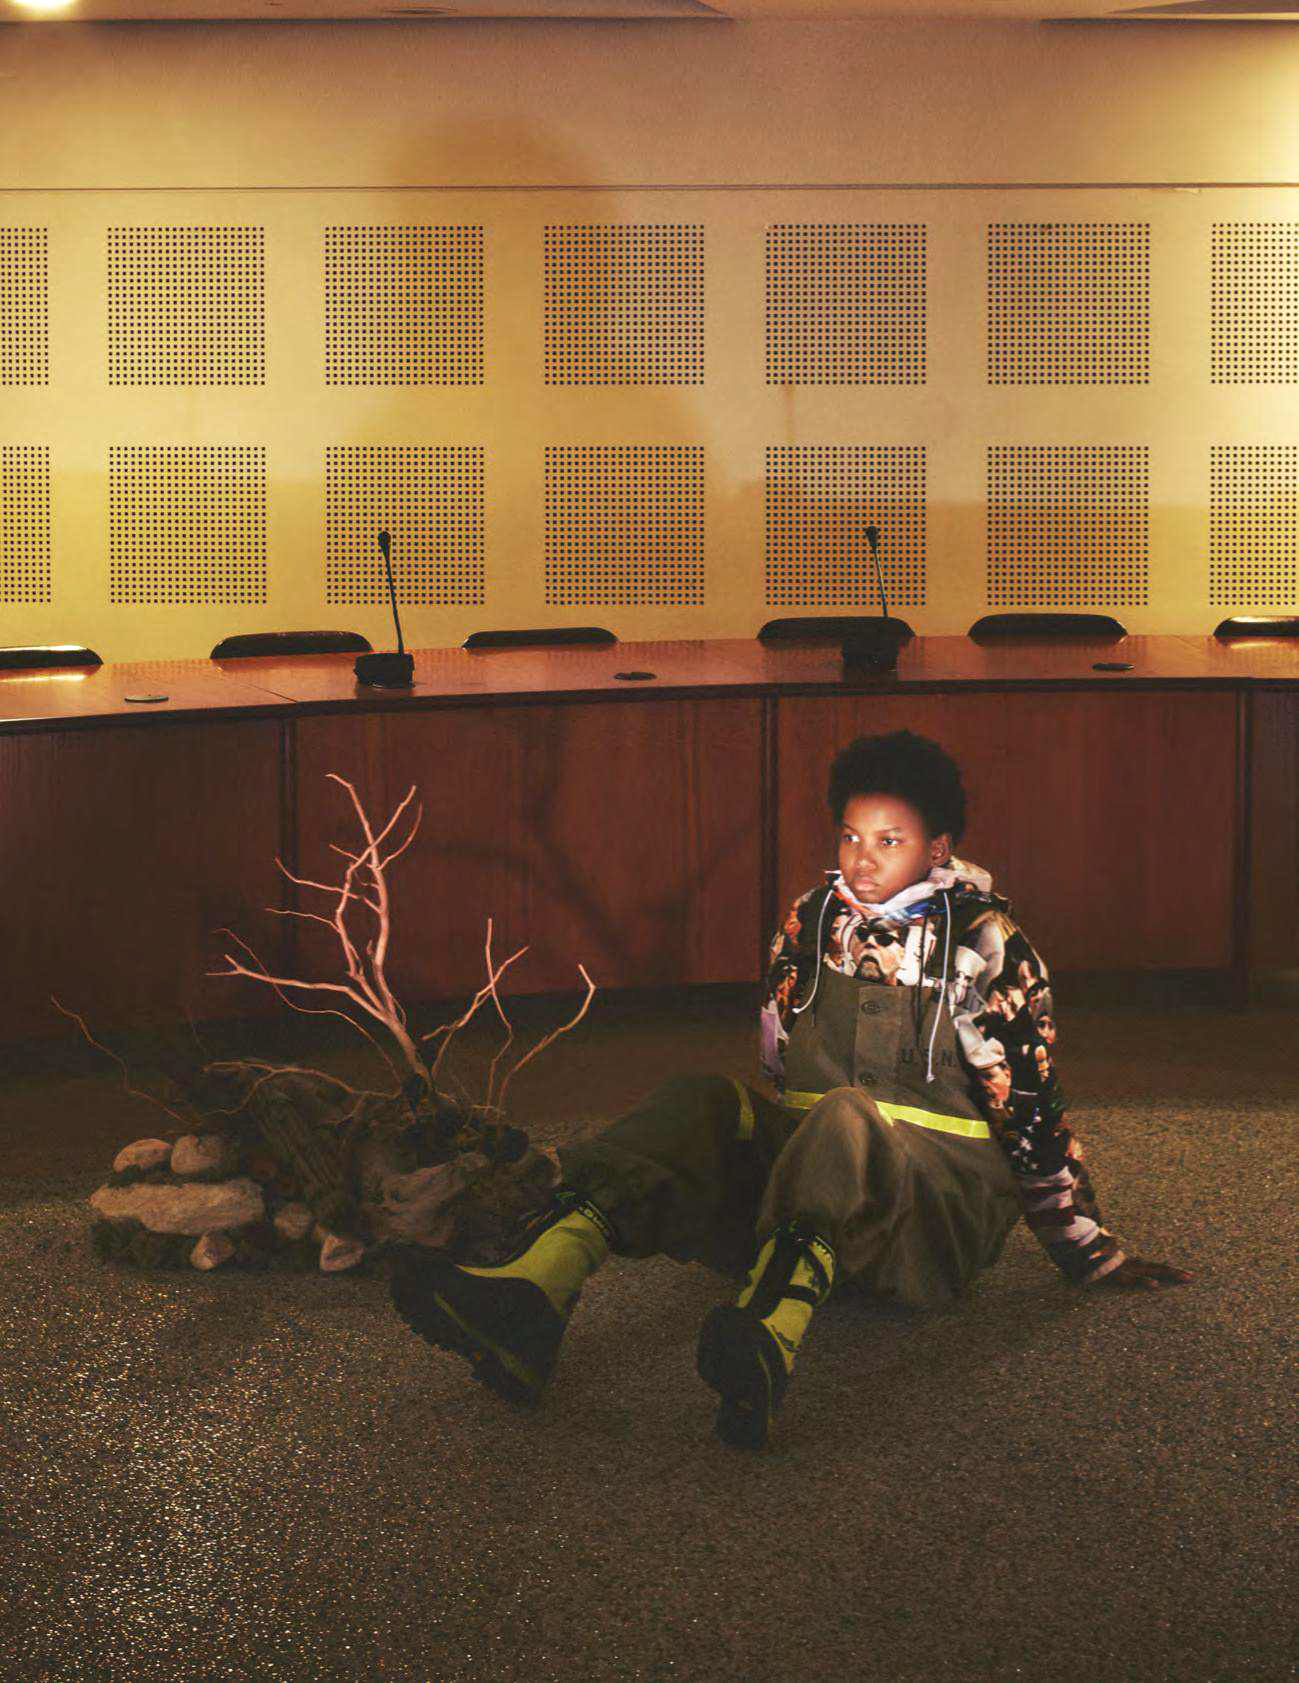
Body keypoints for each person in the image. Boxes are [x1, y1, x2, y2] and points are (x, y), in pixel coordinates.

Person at [390, 729, 1191, 1450]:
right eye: (849, 835)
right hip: (816, 1188)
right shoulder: (807, 922)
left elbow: (1031, 1114)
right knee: (701, 1099)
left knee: (845, 1113)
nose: (862, 859)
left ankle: (768, 1332)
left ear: (937, 847)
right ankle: (533, 1293)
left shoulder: (986, 943)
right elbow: (776, 1072)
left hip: (929, 1216)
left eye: (889, 840)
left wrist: (1086, 1248)